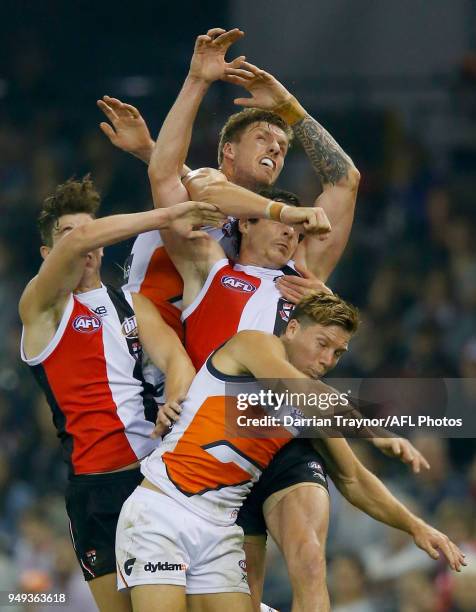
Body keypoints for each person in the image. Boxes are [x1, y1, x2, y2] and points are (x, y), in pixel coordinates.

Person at [99, 28, 429, 611]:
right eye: (263, 138)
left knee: (308, 558)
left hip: (284, 425)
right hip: (213, 431)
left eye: (282, 143)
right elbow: (172, 181)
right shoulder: (211, 260)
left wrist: (288, 108)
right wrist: (196, 85)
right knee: (240, 588)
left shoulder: (300, 274)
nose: (292, 230)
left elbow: (345, 180)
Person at [115, 292, 466, 612]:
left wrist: (416, 527)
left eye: (338, 352)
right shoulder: (254, 345)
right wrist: (373, 432)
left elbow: (354, 479)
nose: (327, 359)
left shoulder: (315, 405)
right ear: (293, 329)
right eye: (322, 343)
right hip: (162, 512)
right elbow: (294, 388)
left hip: (220, 532)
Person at [18, 176, 223, 612]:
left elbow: (176, 361)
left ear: (104, 246)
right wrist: (169, 215)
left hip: (151, 477)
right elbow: (82, 241)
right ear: (46, 255)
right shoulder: (41, 307)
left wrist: (176, 398)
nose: (81, 242)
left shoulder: (132, 304)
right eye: (65, 236)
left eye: (87, 232)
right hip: (95, 491)